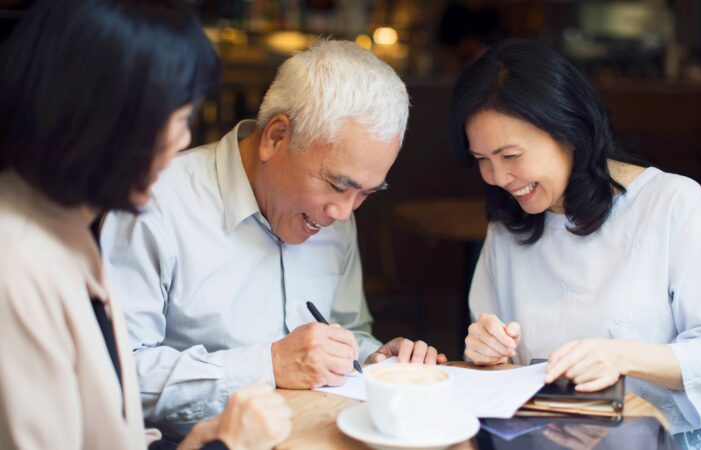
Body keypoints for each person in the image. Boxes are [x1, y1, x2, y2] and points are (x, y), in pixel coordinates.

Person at [99, 39, 447, 435]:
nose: (344, 213)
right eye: (337, 185)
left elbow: (348, 330)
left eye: (365, 194)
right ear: (276, 137)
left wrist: (373, 361)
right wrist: (269, 366)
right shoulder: (155, 205)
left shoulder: (335, 215)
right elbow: (113, 373)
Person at [0, 0, 291, 449]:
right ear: (106, 121)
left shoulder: (66, 224)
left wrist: (194, 441)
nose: (184, 141)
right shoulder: (17, 266)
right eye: (178, 120)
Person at [451, 39, 701, 449]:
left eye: (510, 155)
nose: (498, 178)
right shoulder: (508, 228)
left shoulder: (670, 203)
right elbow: (502, 373)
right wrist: (486, 352)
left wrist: (621, 357)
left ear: (569, 131)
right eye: (482, 160)